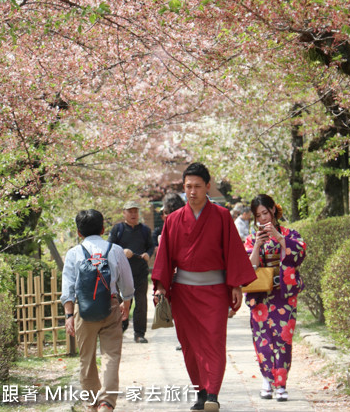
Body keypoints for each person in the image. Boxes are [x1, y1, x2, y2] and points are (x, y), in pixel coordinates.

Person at [152, 162, 256, 412]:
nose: (192, 191)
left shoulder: (221, 217)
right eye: (188, 187)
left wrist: (235, 286)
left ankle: (212, 394)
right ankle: (200, 391)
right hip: (184, 293)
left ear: (208, 186)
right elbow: (164, 256)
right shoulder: (174, 220)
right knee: (189, 343)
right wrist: (161, 287)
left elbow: (232, 252)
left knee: (214, 341)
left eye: (197, 186)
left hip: (215, 291)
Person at [61, 209, 134, 412]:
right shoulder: (116, 250)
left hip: (82, 310)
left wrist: (69, 315)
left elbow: (67, 289)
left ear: (78, 232)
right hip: (110, 306)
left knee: (87, 357)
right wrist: (125, 305)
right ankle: (107, 403)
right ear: (103, 229)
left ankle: (91, 403)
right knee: (111, 355)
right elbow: (127, 285)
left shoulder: (74, 253)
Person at [244, 194, 306, 402]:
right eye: (258, 215)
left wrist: (279, 239)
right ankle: (266, 380)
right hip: (260, 294)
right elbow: (247, 268)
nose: (263, 219)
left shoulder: (290, 234)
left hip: (284, 295)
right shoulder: (252, 239)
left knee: (283, 338)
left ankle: (281, 384)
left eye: (265, 213)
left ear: (274, 211)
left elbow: (298, 255)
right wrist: (258, 246)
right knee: (263, 338)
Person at [107, 201, 155, 343]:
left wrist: (148, 254)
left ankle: (139, 333)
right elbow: (109, 247)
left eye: (135, 211)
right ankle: (121, 328)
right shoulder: (118, 229)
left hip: (140, 272)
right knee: (122, 301)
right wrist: (122, 251)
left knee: (141, 302)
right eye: (130, 211)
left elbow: (150, 247)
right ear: (124, 213)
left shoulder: (145, 230)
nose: (133, 214)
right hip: (121, 273)